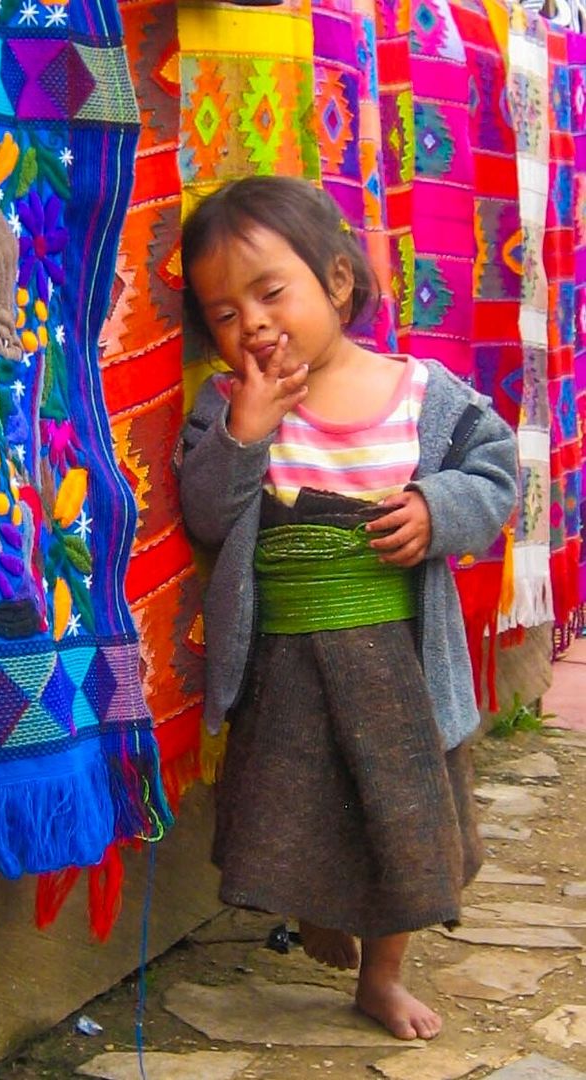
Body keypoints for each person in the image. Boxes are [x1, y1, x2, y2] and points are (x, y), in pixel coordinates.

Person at [174, 176, 517, 1041]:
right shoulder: (225, 411)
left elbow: (494, 472)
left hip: (397, 657)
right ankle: (318, 911)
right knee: (299, 810)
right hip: (285, 662)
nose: (248, 322)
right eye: (221, 311)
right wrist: (245, 434)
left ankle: (383, 972)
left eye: (269, 291)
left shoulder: (421, 394)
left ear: (335, 281)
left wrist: (441, 508)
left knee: (402, 822)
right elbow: (207, 514)